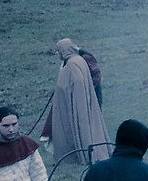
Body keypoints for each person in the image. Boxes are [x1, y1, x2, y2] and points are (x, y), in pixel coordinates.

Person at [42, 39, 111, 171]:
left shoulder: (73, 64)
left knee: (80, 128)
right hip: (77, 102)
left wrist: (73, 99)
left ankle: (81, 155)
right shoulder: (76, 61)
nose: (57, 53)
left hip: (76, 104)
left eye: (58, 50)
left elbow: (78, 83)